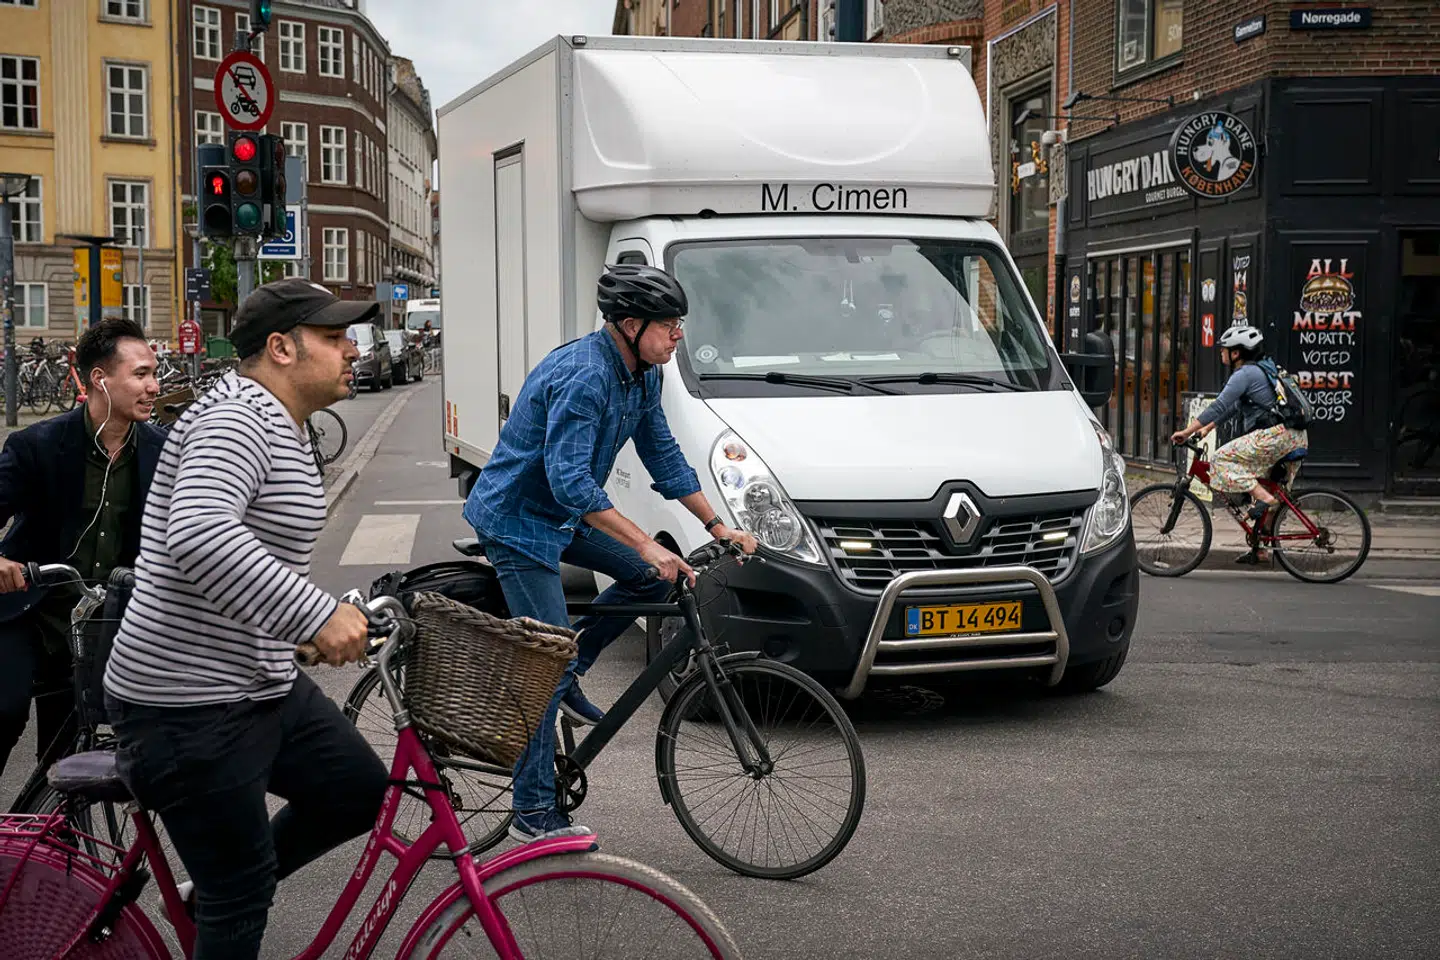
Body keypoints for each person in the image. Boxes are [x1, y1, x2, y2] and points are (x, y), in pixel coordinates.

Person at [102, 279, 387, 960]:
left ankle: (223, 889)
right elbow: (199, 534)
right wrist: (315, 616)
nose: (354, 350)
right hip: (185, 703)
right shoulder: (238, 419)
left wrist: (304, 625)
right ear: (282, 348)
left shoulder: (278, 420)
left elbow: (249, 549)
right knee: (241, 893)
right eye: (335, 337)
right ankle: (230, 894)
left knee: (355, 788)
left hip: (252, 682)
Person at [463, 263, 758, 842]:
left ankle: (571, 668)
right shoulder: (585, 377)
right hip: (519, 521)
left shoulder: (643, 375)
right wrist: (646, 541)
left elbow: (663, 453)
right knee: (544, 663)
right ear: (629, 324)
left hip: (562, 515)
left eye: (680, 323)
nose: (679, 334)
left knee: (651, 582)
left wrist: (717, 526)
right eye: (669, 324)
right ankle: (532, 814)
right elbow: (570, 479)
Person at [0, 317, 164, 779]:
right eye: (141, 374)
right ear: (100, 379)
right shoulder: (38, 445)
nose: (153, 386)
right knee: (4, 709)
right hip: (28, 611)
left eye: (155, 373)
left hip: (98, 627)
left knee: (71, 759)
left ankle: (53, 846)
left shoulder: (160, 450)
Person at [1170, 324, 1309, 562]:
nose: (1221, 353)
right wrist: (1207, 428)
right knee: (1265, 486)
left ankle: (1267, 501)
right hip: (1294, 436)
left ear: (1237, 353)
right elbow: (1235, 407)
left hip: (1276, 436)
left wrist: (1186, 431)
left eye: (1224, 349)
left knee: (1220, 460)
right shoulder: (1262, 370)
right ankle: (1261, 550)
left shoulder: (1244, 374)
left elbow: (1219, 405)